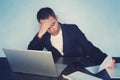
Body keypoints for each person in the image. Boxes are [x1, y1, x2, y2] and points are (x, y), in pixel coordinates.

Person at [28, 7, 115, 69]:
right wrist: (40, 34)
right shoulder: (42, 35)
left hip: (79, 67)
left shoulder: (72, 29)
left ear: (57, 18)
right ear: (41, 26)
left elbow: (88, 47)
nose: (51, 29)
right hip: (58, 72)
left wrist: (106, 59)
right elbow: (31, 54)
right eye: (46, 27)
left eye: (52, 24)